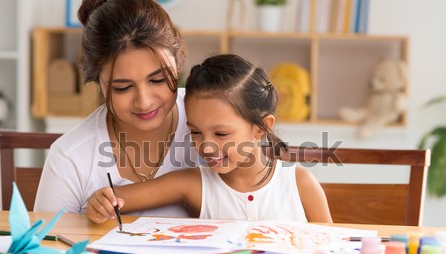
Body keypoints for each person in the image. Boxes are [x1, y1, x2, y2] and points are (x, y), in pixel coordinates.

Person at [87, 54, 332, 224]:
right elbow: (117, 198)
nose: (206, 146)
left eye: (221, 134)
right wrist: (102, 201)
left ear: (262, 128)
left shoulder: (299, 184)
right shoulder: (194, 184)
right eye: (195, 132)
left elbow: (331, 247)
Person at [34, 0, 199, 217]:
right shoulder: (70, 156)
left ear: (177, 64)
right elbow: (46, 243)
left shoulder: (214, 118)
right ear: (98, 83)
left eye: (158, 80)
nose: (144, 102)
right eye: (123, 87)